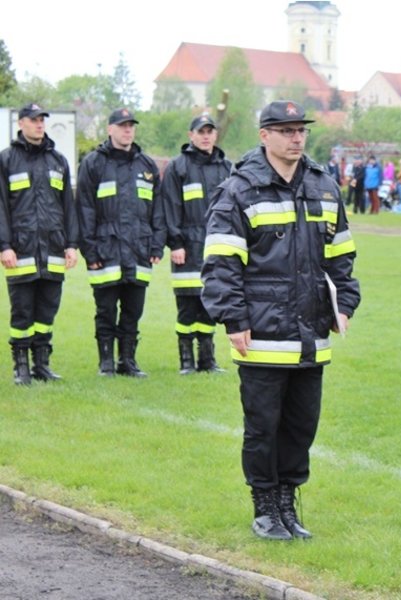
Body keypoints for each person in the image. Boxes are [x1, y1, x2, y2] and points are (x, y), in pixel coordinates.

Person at [201, 100, 360, 540]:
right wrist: (233, 319)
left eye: (300, 131)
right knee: (262, 427)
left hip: (311, 335)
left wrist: (345, 302)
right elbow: (220, 262)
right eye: (285, 130)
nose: (296, 138)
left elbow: (342, 255)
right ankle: (265, 505)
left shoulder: (324, 186)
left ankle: (289, 502)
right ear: (264, 135)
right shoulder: (239, 190)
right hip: (263, 335)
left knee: (300, 426)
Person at [77, 108, 165, 378]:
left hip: (139, 250)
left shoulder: (147, 167)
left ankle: (127, 361)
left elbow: (158, 210)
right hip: (105, 251)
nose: (128, 130)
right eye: (122, 125)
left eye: (131, 126)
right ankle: (106, 363)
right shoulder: (93, 164)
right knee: (105, 310)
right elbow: (85, 209)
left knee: (133, 311)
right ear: (110, 129)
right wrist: (89, 250)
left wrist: (156, 245)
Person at [0, 103, 79, 385]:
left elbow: (68, 206)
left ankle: (41, 364)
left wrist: (72, 244)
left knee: (47, 310)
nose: (39, 125)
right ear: (21, 123)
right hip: (20, 250)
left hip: (54, 250)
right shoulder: (7, 160)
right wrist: (4, 245)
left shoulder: (58, 160)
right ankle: (21, 366)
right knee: (22, 309)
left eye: (42, 120)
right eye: (33, 120)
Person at [161, 114, 233, 374]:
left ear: (215, 135)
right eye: (200, 131)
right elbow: (169, 207)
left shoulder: (227, 168)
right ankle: (186, 361)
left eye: (210, 131)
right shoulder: (178, 167)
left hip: (216, 246)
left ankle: (207, 361)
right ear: (190, 135)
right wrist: (176, 242)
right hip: (187, 247)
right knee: (187, 306)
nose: (205, 136)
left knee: (210, 305)